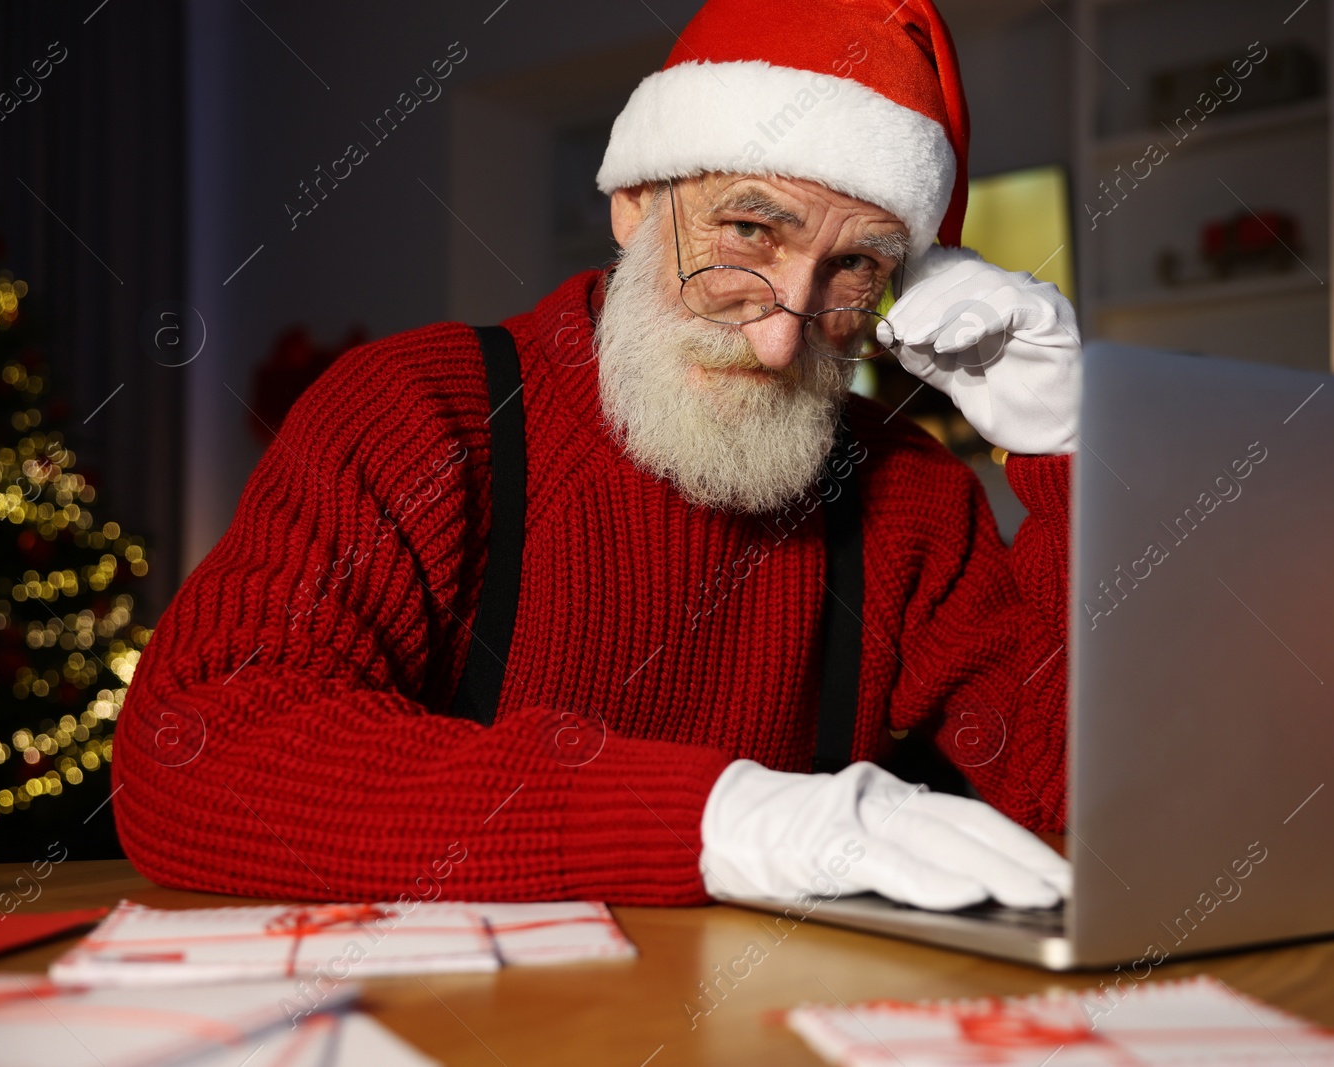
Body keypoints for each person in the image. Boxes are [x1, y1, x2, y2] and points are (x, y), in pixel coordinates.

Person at [114, 0, 1081, 911]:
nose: (782, 340)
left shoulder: (911, 495)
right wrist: (711, 818)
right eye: (748, 230)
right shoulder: (417, 413)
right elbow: (195, 752)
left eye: (854, 267)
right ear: (633, 203)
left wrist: (1077, 454)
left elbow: (1083, 810)